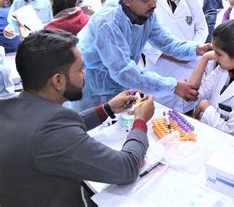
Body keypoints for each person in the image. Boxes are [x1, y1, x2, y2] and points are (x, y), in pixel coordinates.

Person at [0, 29, 155, 206]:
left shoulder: (10, 105)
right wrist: (140, 121)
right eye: (80, 69)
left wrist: (106, 109)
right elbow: (126, 168)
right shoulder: (51, 130)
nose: (84, 73)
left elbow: (61, 129)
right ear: (58, 81)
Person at [72, 0, 212, 112]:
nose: (153, 4)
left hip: (117, 85)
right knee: (96, 126)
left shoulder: (146, 14)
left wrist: (197, 49)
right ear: (127, 0)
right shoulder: (107, 23)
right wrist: (173, 86)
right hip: (94, 89)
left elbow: (166, 42)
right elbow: (123, 70)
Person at [142, 0, 208, 114]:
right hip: (162, 66)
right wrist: (174, 55)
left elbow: (202, 28)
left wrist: (191, 50)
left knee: (190, 114)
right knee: (163, 117)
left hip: (191, 65)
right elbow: (143, 39)